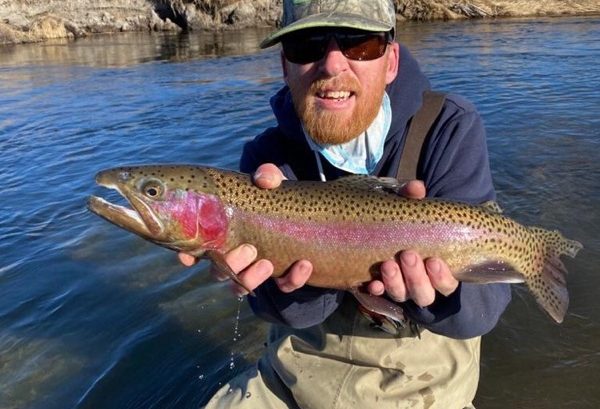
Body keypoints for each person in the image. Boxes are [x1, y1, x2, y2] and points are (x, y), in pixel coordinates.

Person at [181, 0, 512, 407]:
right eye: (307, 45)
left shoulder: (449, 128)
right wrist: (296, 278)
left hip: (425, 391)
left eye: (360, 44)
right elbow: (283, 314)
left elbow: (482, 313)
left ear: (391, 62)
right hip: (295, 382)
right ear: (285, 66)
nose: (333, 64)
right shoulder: (267, 161)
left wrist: (438, 296)